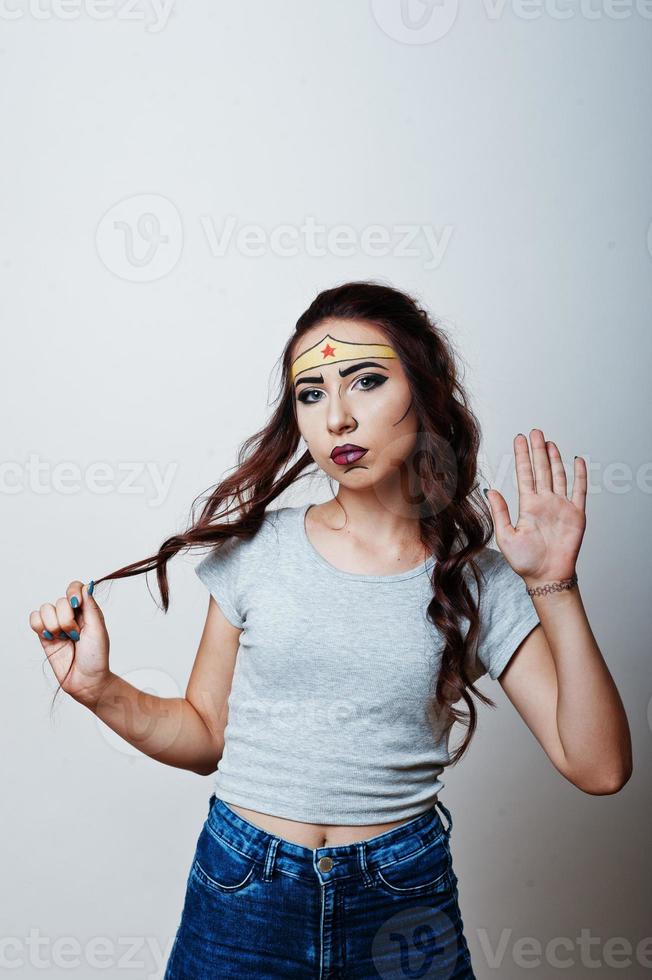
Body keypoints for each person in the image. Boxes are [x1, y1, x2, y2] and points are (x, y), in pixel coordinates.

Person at [29, 281, 632, 979]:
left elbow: (599, 767)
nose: (337, 418)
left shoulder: (478, 577)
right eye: (311, 393)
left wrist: (553, 585)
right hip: (242, 891)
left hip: (404, 904)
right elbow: (203, 736)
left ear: (427, 389)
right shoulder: (256, 552)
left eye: (366, 381)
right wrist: (100, 689)